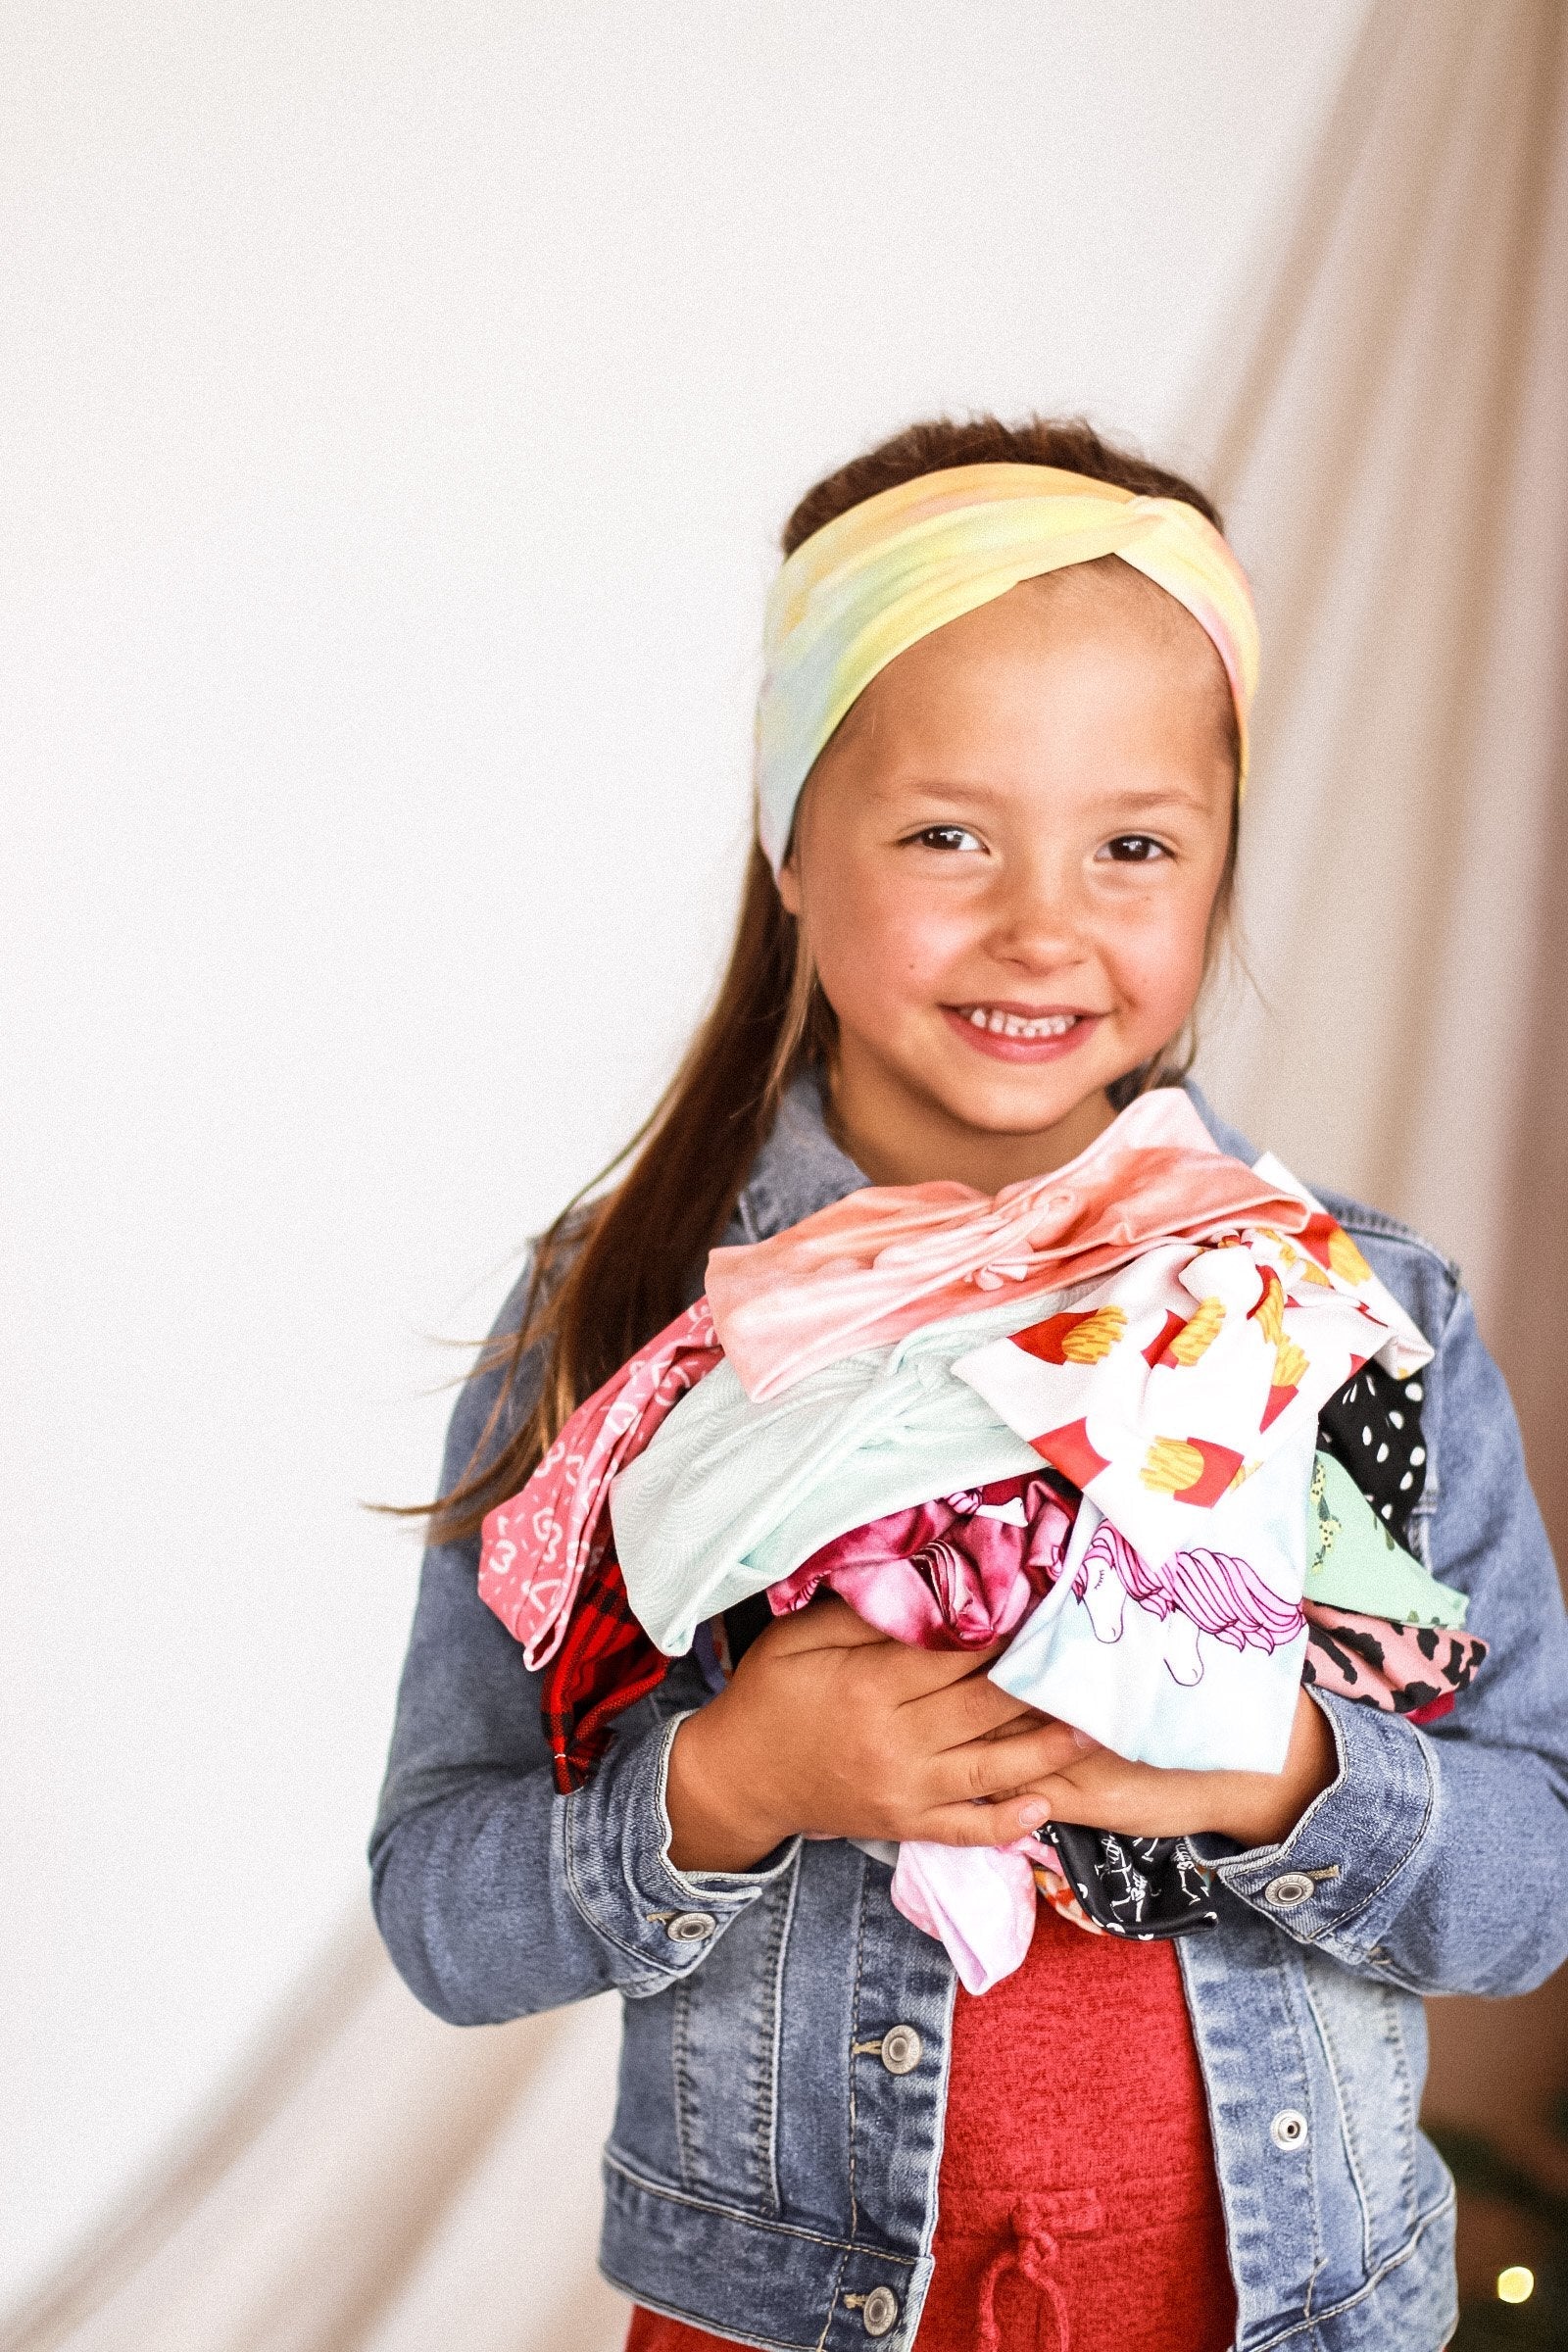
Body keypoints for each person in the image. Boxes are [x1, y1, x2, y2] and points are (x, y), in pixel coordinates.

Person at [369, 416, 1568, 2352]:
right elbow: (442, 1906)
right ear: (786, 836)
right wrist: (729, 1781)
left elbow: (1529, 1885)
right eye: (947, 832)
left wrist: (1280, 1776)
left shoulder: (1348, 1329)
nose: (1042, 923)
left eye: (1132, 845)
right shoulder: (631, 1339)